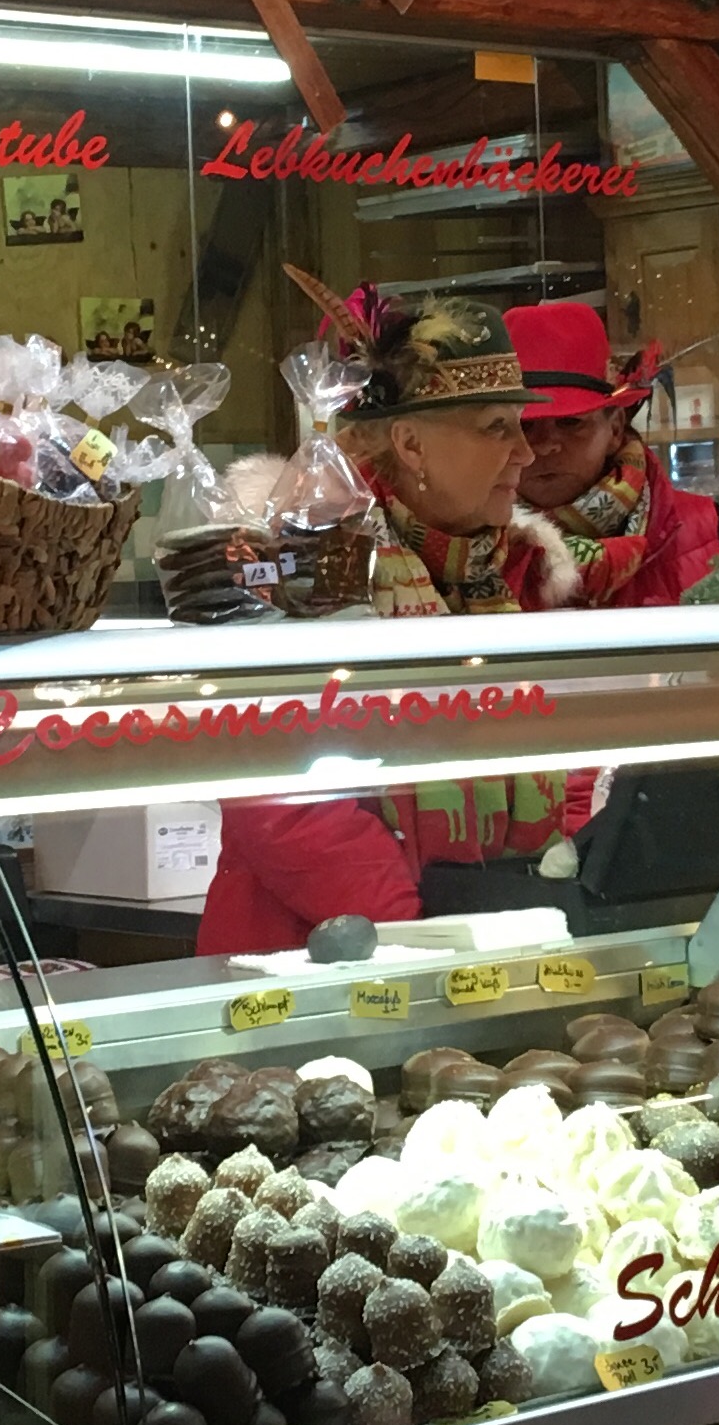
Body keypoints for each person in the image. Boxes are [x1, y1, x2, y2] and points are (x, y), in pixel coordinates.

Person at [192, 293, 575, 951]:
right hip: (319, 968)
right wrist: (422, 934)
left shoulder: (512, 574)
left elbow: (562, 750)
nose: (525, 453)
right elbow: (282, 792)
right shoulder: (307, 563)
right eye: (495, 426)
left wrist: (553, 891)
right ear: (410, 441)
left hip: (491, 944)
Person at [502, 300, 719, 611]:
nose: (546, 445)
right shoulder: (463, 552)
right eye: (525, 426)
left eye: (570, 422)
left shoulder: (717, 532)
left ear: (615, 429)